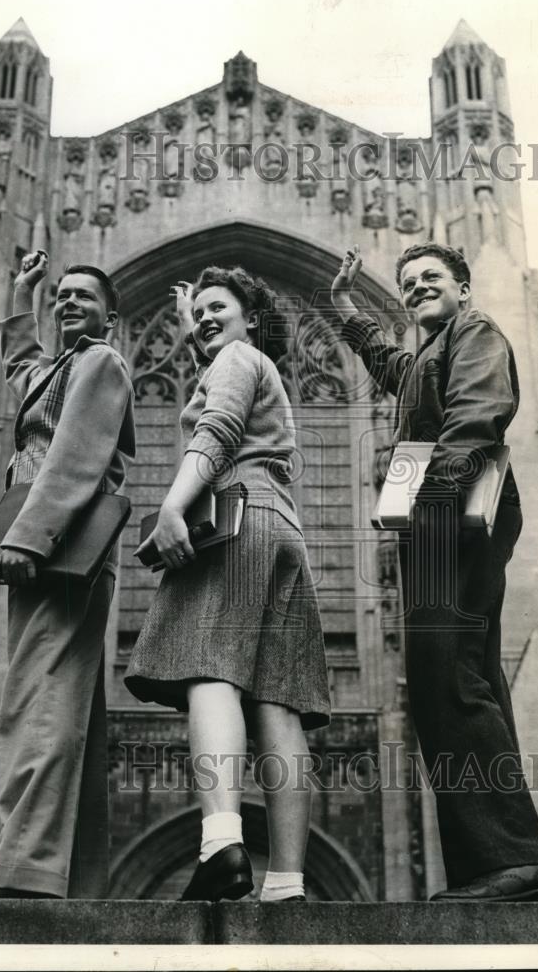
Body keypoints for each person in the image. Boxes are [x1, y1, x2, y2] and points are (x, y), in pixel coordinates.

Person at [330, 242, 538, 902]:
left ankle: (512, 858)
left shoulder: (475, 330)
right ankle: (497, 865)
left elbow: (476, 417)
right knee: (456, 682)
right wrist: (348, 307)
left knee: (450, 679)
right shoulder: (424, 357)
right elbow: (386, 362)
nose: (416, 289)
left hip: (453, 506)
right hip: (437, 513)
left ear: (464, 288)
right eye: (407, 284)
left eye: (431, 279)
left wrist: (429, 502)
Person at [124, 267, 330, 903]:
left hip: (235, 519)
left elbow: (216, 432)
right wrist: (195, 330)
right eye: (202, 310)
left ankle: (222, 846)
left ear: (249, 320)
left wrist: (171, 507)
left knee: (211, 672)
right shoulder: (248, 358)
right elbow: (216, 371)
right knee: (277, 699)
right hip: (279, 529)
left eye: (221, 307)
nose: (208, 318)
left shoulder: (238, 358)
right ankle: (287, 881)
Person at [0, 250, 136, 899]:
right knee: (60, 700)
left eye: (83, 297)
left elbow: (76, 457)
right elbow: (22, 370)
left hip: (61, 545)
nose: (68, 302)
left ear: (110, 316)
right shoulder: (58, 368)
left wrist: (30, 539)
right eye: (62, 295)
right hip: (43, 546)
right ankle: (68, 875)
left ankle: (22, 868)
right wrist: (21, 293)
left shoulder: (103, 362)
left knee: (39, 703)